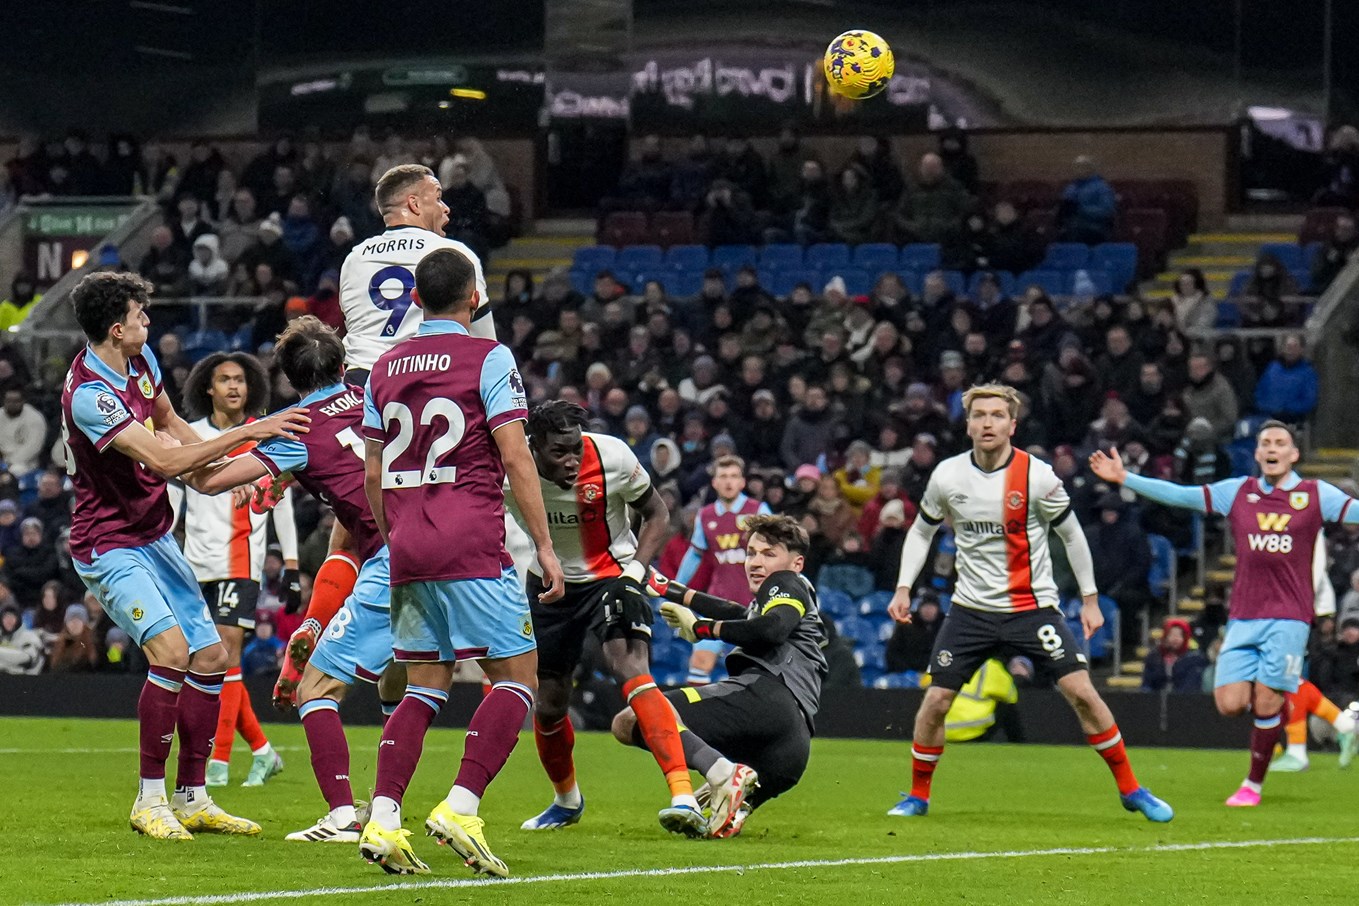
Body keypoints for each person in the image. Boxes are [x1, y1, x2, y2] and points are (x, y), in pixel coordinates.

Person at [60, 271, 307, 840]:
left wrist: (231, 469)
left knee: (212, 657)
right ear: (116, 328)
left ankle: (193, 797)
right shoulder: (92, 395)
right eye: (139, 315)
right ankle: (149, 800)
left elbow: (171, 424)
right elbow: (166, 462)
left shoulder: (139, 359)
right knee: (171, 652)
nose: (148, 322)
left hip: (153, 534)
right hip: (109, 544)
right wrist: (255, 432)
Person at [358, 247, 564, 877]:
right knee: (518, 678)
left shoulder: (383, 367)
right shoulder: (489, 356)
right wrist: (545, 545)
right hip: (470, 539)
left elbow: (372, 472)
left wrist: (395, 534)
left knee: (424, 683)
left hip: (407, 543)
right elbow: (516, 456)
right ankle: (462, 807)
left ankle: (383, 818)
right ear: (474, 297)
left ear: (416, 299)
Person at [887, 384, 1172, 822]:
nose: (987, 423)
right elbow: (922, 531)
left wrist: (1090, 599)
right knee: (937, 701)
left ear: (1012, 425)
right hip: (970, 611)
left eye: (997, 415)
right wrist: (904, 586)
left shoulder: (1037, 476)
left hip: (1031, 608)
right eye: (979, 415)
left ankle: (1132, 789)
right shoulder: (947, 475)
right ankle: (918, 796)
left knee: (1081, 692)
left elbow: (1072, 534)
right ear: (968, 425)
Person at [277, 162, 497, 702]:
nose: (447, 207)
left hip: (363, 394)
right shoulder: (455, 257)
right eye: (438, 197)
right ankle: (453, 653)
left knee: (359, 523)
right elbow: (483, 345)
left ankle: (319, 620)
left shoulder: (354, 258)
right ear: (414, 204)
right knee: (423, 533)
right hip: (430, 397)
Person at [185, 316, 401, 844]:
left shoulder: (294, 426)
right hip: (447, 545)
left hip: (390, 558)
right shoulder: (373, 395)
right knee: (413, 682)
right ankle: (399, 807)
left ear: (286, 379)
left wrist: (199, 436)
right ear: (343, 367)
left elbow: (207, 481)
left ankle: (343, 815)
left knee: (314, 691)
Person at [1090, 419, 1359, 806]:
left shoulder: (1315, 494)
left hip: (1290, 617)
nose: (1271, 448)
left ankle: (1253, 784)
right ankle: (1280, 711)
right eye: (1265, 442)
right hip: (1243, 616)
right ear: (1257, 453)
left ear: (1293, 453)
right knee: (1230, 703)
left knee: (1267, 699)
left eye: (1279, 442)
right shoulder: (1238, 492)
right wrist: (1125, 478)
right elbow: (1181, 495)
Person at [508, 401, 704, 835]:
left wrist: (635, 573)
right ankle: (566, 801)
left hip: (613, 578)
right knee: (549, 703)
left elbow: (657, 513)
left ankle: (684, 795)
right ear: (534, 447)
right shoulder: (508, 468)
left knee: (632, 671)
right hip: (550, 585)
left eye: (576, 448)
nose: (572, 460)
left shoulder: (613, 456)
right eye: (559, 451)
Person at [616, 514, 827, 838]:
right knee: (709, 831)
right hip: (790, 750)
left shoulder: (786, 582)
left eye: (768, 554)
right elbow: (738, 613)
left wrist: (703, 629)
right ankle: (730, 782)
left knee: (631, 719)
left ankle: (722, 771)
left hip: (767, 699)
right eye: (751, 553)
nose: (755, 562)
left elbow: (770, 630)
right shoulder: (790, 599)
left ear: (796, 563)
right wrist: (668, 589)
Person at [167, 352, 295, 789]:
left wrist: (291, 562)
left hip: (240, 560)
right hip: (193, 564)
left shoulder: (264, 434)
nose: (234, 386)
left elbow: (282, 503)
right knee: (206, 662)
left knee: (226, 657)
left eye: (240, 379)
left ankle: (217, 761)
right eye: (224, 379)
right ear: (208, 387)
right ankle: (262, 751)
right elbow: (175, 500)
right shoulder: (192, 436)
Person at [675, 456, 772, 684]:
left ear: (742, 482)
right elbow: (695, 554)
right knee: (700, 662)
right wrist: (676, 586)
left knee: (757, 668)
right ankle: (698, 707)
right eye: (724, 476)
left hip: (754, 603)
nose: (729, 482)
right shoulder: (706, 515)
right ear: (714, 483)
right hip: (718, 601)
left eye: (734, 476)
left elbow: (779, 549)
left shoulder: (758, 511)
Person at [1139, 618, 1207, 693]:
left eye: (1179, 635)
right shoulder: (1154, 657)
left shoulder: (1195, 658)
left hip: (1183, 697)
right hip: (1157, 697)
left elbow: (1190, 686)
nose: (1175, 639)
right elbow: (1147, 684)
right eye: (1171, 635)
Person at [0, 388, 48, 475]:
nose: (12, 404)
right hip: (2, 460)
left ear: (23, 401)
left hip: (25, 463)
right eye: (9, 401)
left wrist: (10, 462)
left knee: (15, 470)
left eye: (16, 401)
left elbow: (33, 447)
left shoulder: (35, 418)